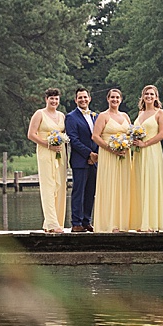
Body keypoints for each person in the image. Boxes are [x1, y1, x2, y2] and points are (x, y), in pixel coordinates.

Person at [91, 88, 134, 231]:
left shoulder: (126, 116)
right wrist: (110, 149)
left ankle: (123, 223)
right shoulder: (103, 116)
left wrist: (126, 145)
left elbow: (130, 134)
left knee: (123, 186)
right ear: (108, 99)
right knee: (110, 186)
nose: (115, 100)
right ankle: (110, 223)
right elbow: (95, 136)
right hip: (108, 155)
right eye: (112, 97)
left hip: (124, 155)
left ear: (121, 100)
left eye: (117, 97)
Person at [26, 88, 67, 233]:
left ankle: (54, 222)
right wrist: (47, 144)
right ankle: (52, 223)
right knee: (48, 187)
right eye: (51, 99)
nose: (54, 101)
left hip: (60, 153)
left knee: (59, 186)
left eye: (56, 99)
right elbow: (31, 134)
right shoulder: (40, 114)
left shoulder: (62, 115)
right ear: (46, 99)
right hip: (45, 152)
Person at [131, 85, 163, 231]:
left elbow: (162, 134)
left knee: (151, 183)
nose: (149, 96)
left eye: (152, 94)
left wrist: (145, 143)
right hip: (139, 153)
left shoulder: (160, 113)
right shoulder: (140, 113)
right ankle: (141, 221)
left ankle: (152, 222)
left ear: (156, 97)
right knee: (140, 182)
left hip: (152, 150)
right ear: (143, 96)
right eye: (146, 94)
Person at [63, 87, 96, 231]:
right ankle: (76, 223)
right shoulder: (71, 117)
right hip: (80, 161)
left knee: (90, 192)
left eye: (85, 97)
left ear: (89, 98)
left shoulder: (96, 116)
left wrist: (95, 155)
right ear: (76, 100)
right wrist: (89, 154)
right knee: (79, 191)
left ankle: (86, 221)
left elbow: (99, 137)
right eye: (80, 98)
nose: (83, 100)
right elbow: (73, 140)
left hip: (94, 160)